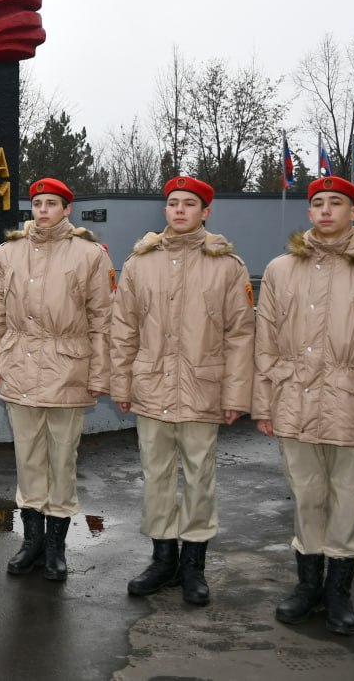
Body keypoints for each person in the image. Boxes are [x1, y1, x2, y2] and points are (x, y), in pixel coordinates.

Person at [252, 176, 354, 635]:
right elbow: (266, 343)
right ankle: (308, 587)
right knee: (307, 498)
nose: (327, 210)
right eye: (318, 203)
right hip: (295, 400)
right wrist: (266, 405)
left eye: (337, 203)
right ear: (309, 213)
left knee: (347, 502)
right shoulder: (280, 269)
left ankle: (339, 593)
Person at [110, 176, 254, 606]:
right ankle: (162, 560)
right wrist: (122, 383)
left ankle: (194, 566)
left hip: (202, 389)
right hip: (153, 386)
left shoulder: (228, 266)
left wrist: (235, 396)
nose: (179, 210)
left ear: (205, 212)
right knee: (155, 476)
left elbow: (241, 336)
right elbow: (123, 331)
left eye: (189, 204)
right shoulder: (139, 263)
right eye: (173, 203)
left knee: (199, 478)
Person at [0, 177, 115, 581]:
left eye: (51, 204)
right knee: (29, 459)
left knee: (62, 459)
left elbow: (102, 320)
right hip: (19, 365)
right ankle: (31, 542)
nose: (42, 211)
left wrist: (99, 373)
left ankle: (57, 547)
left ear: (67, 209)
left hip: (68, 369)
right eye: (37, 203)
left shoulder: (90, 255)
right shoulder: (8, 253)